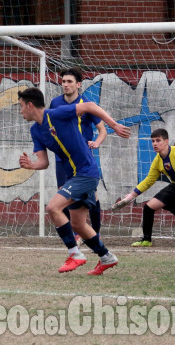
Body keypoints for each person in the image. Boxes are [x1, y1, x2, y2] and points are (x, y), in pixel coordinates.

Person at [18, 87, 130, 275]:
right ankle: (106, 257)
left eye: (21, 106)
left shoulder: (56, 114)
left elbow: (90, 106)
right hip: (74, 176)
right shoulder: (35, 131)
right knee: (78, 224)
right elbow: (44, 163)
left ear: (30, 105)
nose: (20, 110)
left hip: (86, 173)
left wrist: (114, 125)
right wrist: (31, 165)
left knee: (53, 207)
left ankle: (75, 254)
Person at [49, 68, 107, 241]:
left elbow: (102, 130)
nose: (65, 85)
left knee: (92, 195)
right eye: (63, 81)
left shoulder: (87, 104)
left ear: (78, 84)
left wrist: (97, 142)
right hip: (62, 157)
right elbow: (51, 125)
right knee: (63, 193)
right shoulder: (55, 103)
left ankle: (95, 233)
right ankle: (75, 234)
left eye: (69, 82)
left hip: (83, 158)